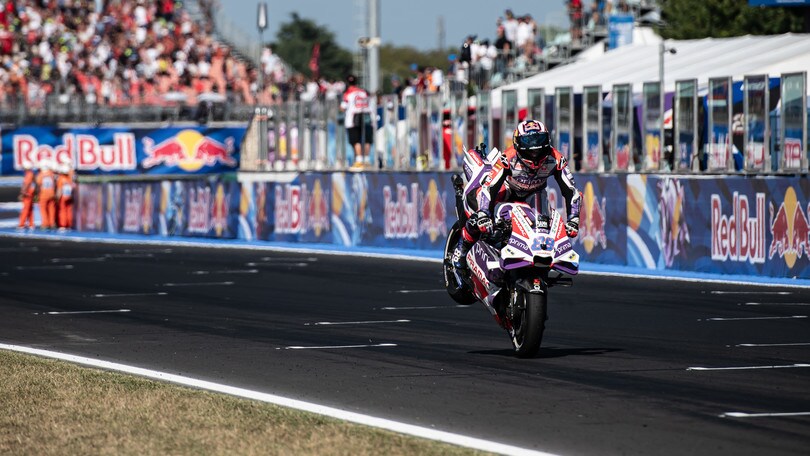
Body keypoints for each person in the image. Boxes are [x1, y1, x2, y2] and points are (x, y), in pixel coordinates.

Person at [452, 119, 582, 269]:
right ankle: (461, 249)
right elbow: (489, 187)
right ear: (518, 145)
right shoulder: (508, 157)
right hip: (507, 190)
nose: (535, 152)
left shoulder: (557, 159)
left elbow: (571, 191)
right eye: (529, 146)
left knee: (544, 222)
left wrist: (573, 219)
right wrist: (483, 214)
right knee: (479, 213)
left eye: (539, 143)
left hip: (534, 193)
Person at [341, 74, 373, 170]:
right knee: (367, 139)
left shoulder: (348, 93)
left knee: (356, 140)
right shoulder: (363, 92)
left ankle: (359, 161)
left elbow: (343, 107)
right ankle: (367, 160)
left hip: (353, 118)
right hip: (366, 115)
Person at [35, 160, 57, 231]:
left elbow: (38, 186)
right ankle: (52, 223)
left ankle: (45, 224)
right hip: (51, 194)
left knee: (43, 210)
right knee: (51, 209)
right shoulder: (51, 174)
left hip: (43, 194)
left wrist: (37, 195)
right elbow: (55, 184)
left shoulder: (40, 175)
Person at [17, 160, 36, 231]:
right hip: (31, 193)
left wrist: (22, 193)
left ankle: (21, 224)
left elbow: (26, 184)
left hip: (28, 194)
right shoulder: (31, 174)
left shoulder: (28, 174)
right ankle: (31, 224)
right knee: (30, 209)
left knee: (25, 209)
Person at [56, 163, 75, 232]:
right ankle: (69, 225)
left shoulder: (61, 179)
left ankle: (63, 225)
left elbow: (59, 190)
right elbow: (73, 187)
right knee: (68, 211)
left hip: (63, 197)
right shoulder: (69, 179)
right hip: (69, 196)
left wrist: (57, 198)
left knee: (62, 211)